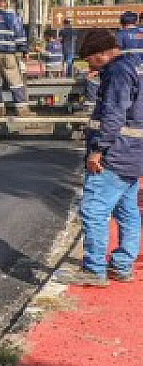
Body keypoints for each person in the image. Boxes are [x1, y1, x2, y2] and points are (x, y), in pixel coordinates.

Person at [56, 28, 142, 286]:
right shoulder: (135, 66)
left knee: (93, 209)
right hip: (133, 153)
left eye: (91, 59)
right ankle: (122, 265)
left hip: (114, 154)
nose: (90, 67)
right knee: (127, 211)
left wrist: (98, 150)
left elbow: (114, 114)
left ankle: (94, 269)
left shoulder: (116, 73)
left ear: (103, 53)